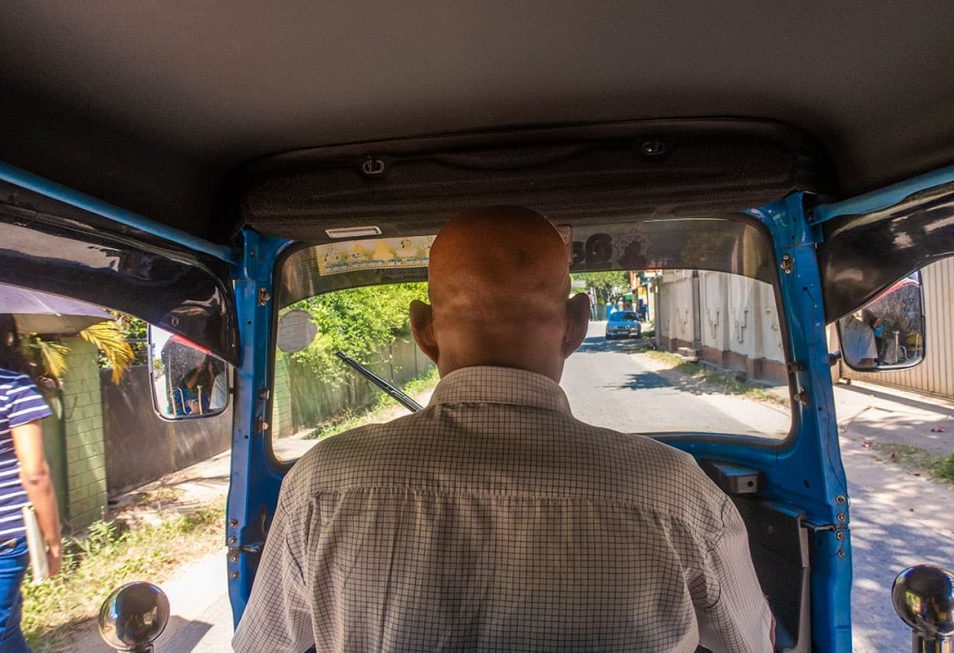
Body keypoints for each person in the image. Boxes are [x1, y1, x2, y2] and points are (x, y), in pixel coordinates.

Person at [234, 207, 773, 652]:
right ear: (578, 325)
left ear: (423, 331)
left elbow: (264, 646)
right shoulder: (672, 489)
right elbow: (749, 642)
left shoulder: (322, 484)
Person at [0, 315, 62, 652]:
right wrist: (53, 543)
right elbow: (34, 473)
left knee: (4, 628)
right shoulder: (12, 386)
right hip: (2, 540)